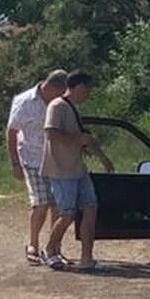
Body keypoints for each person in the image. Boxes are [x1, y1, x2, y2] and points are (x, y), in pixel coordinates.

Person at [41, 71, 113, 270]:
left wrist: (102, 158)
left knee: (91, 208)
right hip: (61, 170)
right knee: (67, 214)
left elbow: (82, 138)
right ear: (78, 86)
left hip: (78, 169)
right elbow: (51, 133)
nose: (88, 93)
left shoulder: (73, 109)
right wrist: (77, 139)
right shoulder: (56, 106)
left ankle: (86, 259)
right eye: (87, 88)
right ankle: (50, 250)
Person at [6, 70, 69, 265]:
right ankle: (32, 244)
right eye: (59, 93)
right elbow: (11, 132)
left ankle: (53, 247)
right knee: (41, 202)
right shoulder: (25, 102)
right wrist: (15, 163)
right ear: (50, 87)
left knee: (58, 204)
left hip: (56, 159)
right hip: (32, 159)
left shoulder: (62, 103)